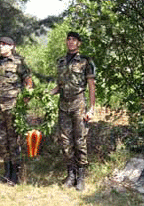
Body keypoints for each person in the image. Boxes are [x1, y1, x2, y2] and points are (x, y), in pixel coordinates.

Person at [50, 32, 96, 191]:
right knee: (65, 141)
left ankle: (81, 177)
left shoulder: (85, 61)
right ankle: (71, 174)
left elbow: (91, 85)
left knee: (80, 140)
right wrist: (48, 93)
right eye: (68, 39)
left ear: (79, 43)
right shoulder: (60, 62)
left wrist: (91, 108)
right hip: (63, 106)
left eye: (74, 40)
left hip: (79, 105)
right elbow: (59, 86)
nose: (70, 42)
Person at [0, 37, 32, 185]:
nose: (1, 46)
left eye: (4, 44)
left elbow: (29, 83)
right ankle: (7, 171)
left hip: (13, 107)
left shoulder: (19, 63)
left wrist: (24, 102)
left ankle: (16, 173)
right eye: (0, 44)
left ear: (12, 47)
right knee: (2, 141)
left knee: (14, 141)